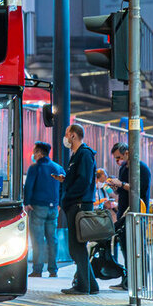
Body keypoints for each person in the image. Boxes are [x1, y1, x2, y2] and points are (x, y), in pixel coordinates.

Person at [58, 124, 99, 294]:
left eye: (67, 134)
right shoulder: (76, 155)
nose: (65, 138)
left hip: (79, 204)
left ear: (73, 136)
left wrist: (67, 198)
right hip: (75, 204)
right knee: (77, 246)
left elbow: (83, 180)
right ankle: (91, 285)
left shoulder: (84, 154)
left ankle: (83, 286)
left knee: (77, 247)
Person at [106, 141, 151, 290]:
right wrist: (116, 187)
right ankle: (128, 280)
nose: (118, 161)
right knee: (125, 247)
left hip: (138, 213)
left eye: (119, 157)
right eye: (115, 159)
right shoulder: (123, 169)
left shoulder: (141, 168)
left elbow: (138, 189)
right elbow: (123, 190)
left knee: (138, 247)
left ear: (127, 153)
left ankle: (141, 281)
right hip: (123, 213)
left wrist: (121, 184)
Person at [23, 141, 64, 278]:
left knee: (38, 240)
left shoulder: (35, 168)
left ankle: (37, 270)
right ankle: (53, 270)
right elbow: (64, 186)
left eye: (34, 152)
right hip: (53, 209)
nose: (33, 154)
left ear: (39, 153)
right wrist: (59, 202)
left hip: (38, 207)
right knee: (52, 239)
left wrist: (27, 202)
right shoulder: (58, 168)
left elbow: (29, 186)